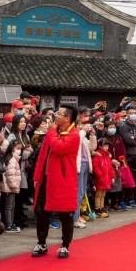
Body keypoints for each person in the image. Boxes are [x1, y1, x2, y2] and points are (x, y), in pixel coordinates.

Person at [31, 106, 81, 259]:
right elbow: (42, 156)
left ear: (67, 118)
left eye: (59, 114)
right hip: (47, 178)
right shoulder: (54, 132)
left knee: (65, 214)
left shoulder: (74, 135)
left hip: (63, 180)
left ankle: (65, 245)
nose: (55, 115)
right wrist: (37, 176)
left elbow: (59, 147)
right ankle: (41, 242)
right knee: (41, 212)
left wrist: (51, 131)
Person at [0, 141, 23, 233]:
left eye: (20, 148)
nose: (19, 151)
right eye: (17, 148)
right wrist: (14, 186)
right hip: (10, 187)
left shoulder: (12, 158)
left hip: (10, 186)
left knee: (11, 206)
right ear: (12, 148)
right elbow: (10, 175)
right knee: (9, 206)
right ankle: (8, 225)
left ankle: (10, 223)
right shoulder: (12, 160)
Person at [91, 138, 114, 218]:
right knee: (98, 194)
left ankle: (102, 206)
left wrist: (112, 176)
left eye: (107, 146)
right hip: (100, 178)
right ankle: (98, 208)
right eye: (105, 146)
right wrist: (100, 175)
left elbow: (110, 167)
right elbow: (95, 167)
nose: (107, 147)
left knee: (103, 194)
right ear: (100, 146)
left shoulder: (107, 156)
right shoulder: (98, 156)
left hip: (106, 178)